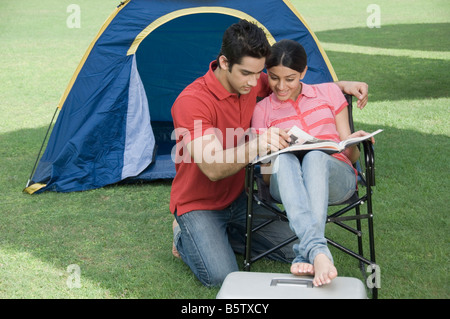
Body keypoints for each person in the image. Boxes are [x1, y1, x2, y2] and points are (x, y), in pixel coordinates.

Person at [170, 20, 369, 287]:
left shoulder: (249, 80)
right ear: (224, 62)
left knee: (295, 247)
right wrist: (258, 144)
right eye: (247, 74)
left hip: (240, 199)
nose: (256, 83)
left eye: (259, 73)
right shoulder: (191, 103)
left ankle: (224, 236)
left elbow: (289, 81)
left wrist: (340, 86)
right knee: (221, 276)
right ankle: (183, 234)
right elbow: (213, 168)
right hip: (199, 203)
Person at [251, 39, 375, 286]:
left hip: (336, 177)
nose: (281, 86)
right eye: (274, 78)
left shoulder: (328, 93)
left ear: (304, 73)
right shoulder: (262, 109)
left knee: (316, 156)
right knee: (285, 159)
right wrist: (276, 153)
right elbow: (265, 174)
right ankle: (318, 252)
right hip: (283, 181)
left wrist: (352, 141)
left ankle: (307, 251)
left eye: (290, 78)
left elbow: (350, 157)